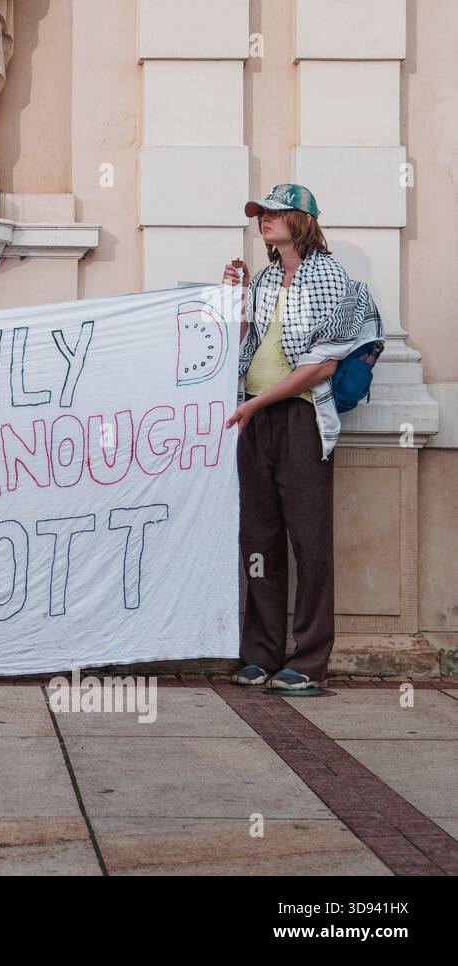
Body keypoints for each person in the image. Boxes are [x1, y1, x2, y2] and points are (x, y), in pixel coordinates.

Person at [221, 183, 371, 691]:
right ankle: (260, 653)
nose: (263, 219)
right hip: (256, 418)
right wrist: (235, 298)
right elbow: (248, 340)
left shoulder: (328, 276)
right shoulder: (265, 279)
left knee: (309, 541)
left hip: (300, 417)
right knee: (258, 539)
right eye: (260, 213)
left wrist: (259, 402)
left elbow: (323, 363)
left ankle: (308, 663)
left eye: (274, 212)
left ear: (301, 220)